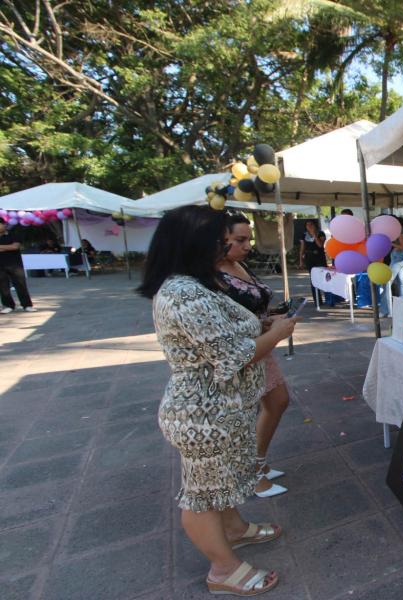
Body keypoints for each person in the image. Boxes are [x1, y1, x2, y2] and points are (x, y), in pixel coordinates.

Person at [138, 205, 299, 596]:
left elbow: (224, 335)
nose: (226, 244)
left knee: (219, 482)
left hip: (220, 409)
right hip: (203, 414)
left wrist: (262, 325)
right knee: (201, 496)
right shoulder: (182, 292)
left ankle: (235, 530)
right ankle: (223, 569)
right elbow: (233, 356)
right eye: (218, 238)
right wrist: (277, 333)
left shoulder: (197, 283)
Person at [217, 212, 290, 499]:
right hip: (243, 354)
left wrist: (272, 318)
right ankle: (251, 473)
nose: (247, 245)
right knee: (249, 415)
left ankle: (257, 463)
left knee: (278, 402)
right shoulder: (211, 278)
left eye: (249, 239)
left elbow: (252, 309)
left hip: (262, 343)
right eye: (240, 240)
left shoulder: (237, 265)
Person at [378, 215, 403, 316]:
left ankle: (385, 310)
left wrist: (390, 243)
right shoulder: (400, 230)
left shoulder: (400, 231)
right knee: (400, 282)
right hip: (399, 257)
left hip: (399, 257)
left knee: (386, 282)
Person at [0, 217, 36, 313]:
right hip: (1, 266)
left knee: (20, 285)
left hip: (15, 265)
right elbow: (11, 247)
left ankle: (27, 305)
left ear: (4, 225)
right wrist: (8, 247)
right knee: (3, 286)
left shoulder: (13, 235)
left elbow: (15, 246)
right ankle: (8, 305)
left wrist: (3, 247)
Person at [298, 219, 327, 304]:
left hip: (319, 257)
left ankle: (329, 298)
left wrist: (314, 234)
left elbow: (320, 245)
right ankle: (317, 301)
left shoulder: (321, 233)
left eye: (311, 224)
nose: (309, 226)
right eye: (307, 225)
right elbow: (302, 249)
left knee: (324, 278)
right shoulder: (304, 235)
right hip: (309, 258)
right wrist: (301, 261)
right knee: (313, 279)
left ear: (315, 225)